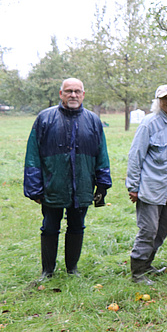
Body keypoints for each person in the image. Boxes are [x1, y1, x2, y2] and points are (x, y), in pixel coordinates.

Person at [24, 78, 112, 281]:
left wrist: (102, 184)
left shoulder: (93, 121)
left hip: (82, 185)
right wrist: (34, 187)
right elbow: (32, 155)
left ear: (83, 94)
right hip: (53, 185)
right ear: (61, 93)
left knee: (77, 226)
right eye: (69, 91)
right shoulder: (45, 119)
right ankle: (48, 270)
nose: (73, 95)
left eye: (77, 91)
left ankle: (72, 268)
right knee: (49, 227)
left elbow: (102, 154)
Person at [126, 85, 167, 285]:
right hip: (150, 189)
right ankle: (137, 272)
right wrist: (133, 186)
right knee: (148, 231)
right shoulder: (148, 124)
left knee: (161, 231)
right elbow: (136, 156)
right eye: (165, 98)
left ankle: (147, 264)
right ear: (158, 102)